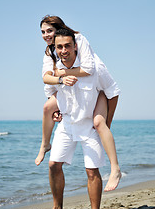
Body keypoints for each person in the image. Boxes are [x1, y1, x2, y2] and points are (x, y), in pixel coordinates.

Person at [35, 15, 121, 192]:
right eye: (42, 32)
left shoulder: (78, 39)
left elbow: (89, 69)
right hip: (72, 89)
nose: (45, 35)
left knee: (100, 124)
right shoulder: (50, 51)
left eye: (49, 30)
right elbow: (46, 78)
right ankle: (45, 144)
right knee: (48, 107)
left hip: (101, 86)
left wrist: (62, 73)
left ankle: (115, 169)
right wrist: (60, 80)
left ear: (59, 29)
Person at [48, 29, 120, 209]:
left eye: (67, 46)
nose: (64, 50)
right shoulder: (55, 70)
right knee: (54, 165)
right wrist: (56, 111)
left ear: (75, 46)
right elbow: (52, 95)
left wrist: (106, 122)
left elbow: (113, 92)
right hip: (66, 124)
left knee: (91, 171)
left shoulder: (94, 67)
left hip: (89, 125)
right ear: (55, 49)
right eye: (59, 47)